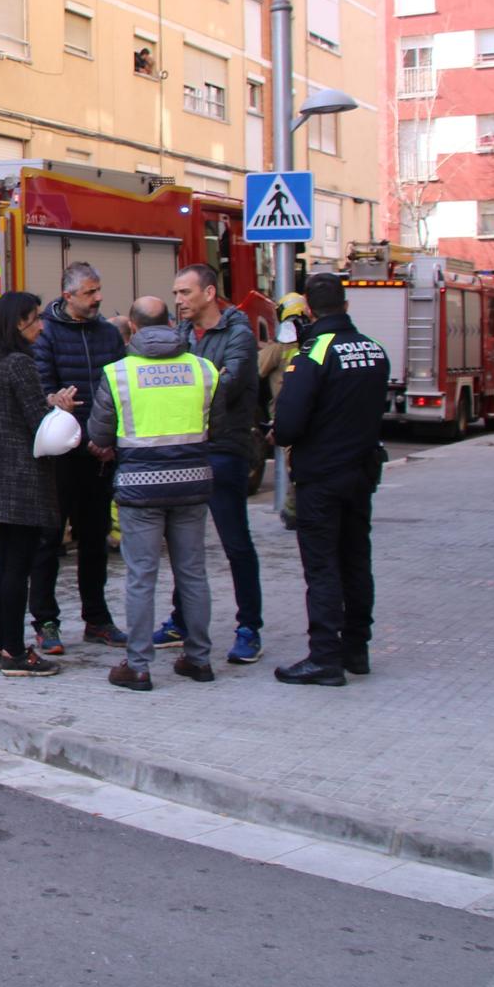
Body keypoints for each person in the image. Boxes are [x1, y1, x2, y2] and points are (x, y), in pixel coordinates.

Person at [86, 297, 224, 691]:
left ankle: (139, 666)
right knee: (193, 573)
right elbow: (221, 421)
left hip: (139, 488)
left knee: (141, 577)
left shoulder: (119, 374)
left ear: (132, 326)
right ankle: (199, 660)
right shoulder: (203, 369)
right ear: (169, 323)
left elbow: (98, 435)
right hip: (193, 482)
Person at [270, 273, 390, 686]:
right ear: (346, 305)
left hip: (321, 477)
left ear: (307, 308)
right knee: (357, 560)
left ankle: (324, 657)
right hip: (362, 473)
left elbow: (286, 425)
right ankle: (357, 649)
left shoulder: (313, 353)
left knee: (322, 567)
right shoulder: (374, 350)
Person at [159, 264, 264, 664]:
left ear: (209, 293)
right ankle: (181, 621)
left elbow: (228, 383)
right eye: (176, 293)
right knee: (185, 543)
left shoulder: (237, 335)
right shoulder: (181, 334)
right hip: (187, 447)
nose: (179, 301)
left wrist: (178, 384)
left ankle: (249, 627)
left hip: (224, 448)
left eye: (185, 293)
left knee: (235, 541)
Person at [0, 292, 78, 675]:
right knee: (18, 566)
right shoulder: (20, 363)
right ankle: (16, 653)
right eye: (35, 318)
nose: (41, 325)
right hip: (22, 477)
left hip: (0, 476)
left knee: (5, 564)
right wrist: (60, 410)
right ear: (19, 322)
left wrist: (48, 400)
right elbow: (40, 423)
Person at [32, 262, 129, 647]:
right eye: (90, 292)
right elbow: (43, 389)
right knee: (49, 541)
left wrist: (107, 440)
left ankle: (97, 619)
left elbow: (120, 389)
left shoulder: (107, 334)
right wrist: (60, 411)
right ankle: (46, 622)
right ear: (68, 295)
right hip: (60, 457)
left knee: (95, 539)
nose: (98, 298)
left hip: (99, 455)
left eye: (98, 290)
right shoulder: (46, 334)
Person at [260, 291, 314, 531]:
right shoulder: (314, 343)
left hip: (285, 414)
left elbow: (255, 368)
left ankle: (294, 512)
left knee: (295, 467)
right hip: (310, 414)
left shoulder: (279, 349)